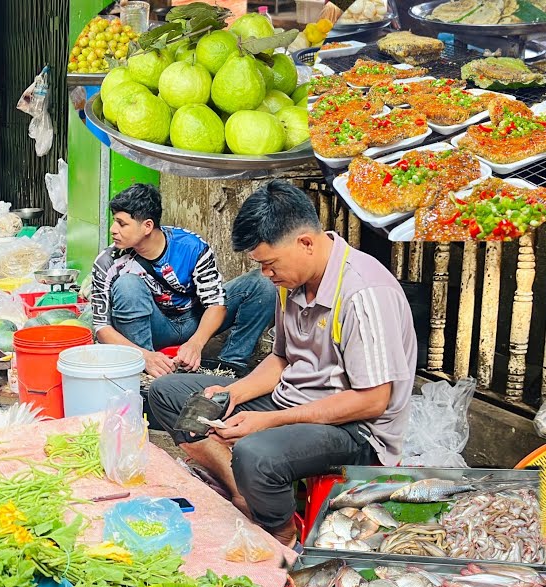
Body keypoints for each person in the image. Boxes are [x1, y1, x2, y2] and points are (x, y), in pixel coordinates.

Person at [147, 181, 417, 548]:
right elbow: (280, 358)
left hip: (357, 429)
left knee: (255, 454)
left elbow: (372, 401)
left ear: (305, 242)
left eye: (269, 264)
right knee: (168, 394)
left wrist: (268, 421)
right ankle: (242, 492)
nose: (266, 275)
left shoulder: (363, 293)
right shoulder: (293, 281)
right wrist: (232, 392)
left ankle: (282, 535)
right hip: (291, 402)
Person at [90, 184, 277, 377]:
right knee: (127, 285)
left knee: (262, 283)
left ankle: (229, 367)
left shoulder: (191, 247)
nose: (113, 229)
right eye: (114, 221)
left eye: (122, 223)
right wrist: (143, 356)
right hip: (153, 328)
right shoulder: (107, 263)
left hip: (193, 320)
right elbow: (102, 327)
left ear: (147, 226)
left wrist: (196, 343)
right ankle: (149, 370)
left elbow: (216, 304)